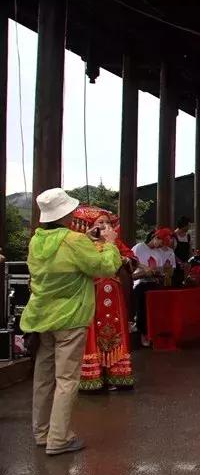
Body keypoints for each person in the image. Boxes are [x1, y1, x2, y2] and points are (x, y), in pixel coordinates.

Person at [21, 188, 123, 455]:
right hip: (70, 316)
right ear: (65, 213)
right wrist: (110, 243)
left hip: (41, 316)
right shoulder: (73, 241)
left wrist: (85, 239)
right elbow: (104, 267)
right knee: (66, 378)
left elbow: (59, 258)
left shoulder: (36, 241)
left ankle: (42, 433)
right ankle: (59, 439)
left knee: (43, 378)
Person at [69, 206, 138, 392]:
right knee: (94, 330)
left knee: (116, 328)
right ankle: (94, 375)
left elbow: (132, 258)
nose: (106, 226)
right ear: (91, 226)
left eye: (108, 222)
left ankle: (117, 374)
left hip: (114, 294)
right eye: (101, 223)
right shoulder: (84, 244)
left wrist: (125, 260)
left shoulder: (116, 243)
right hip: (93, 292)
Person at [131, 228, 176, 347]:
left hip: (152, 283)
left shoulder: (158, 253)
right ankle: (143, 332)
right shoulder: (139, 248)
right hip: (139, 282)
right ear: (156, 238)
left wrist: (160, 273)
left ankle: (155, 332)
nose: (161, 246)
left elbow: (160, 271)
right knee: (142, 305)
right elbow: (130, 266)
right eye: (161, 243)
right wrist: (145, 272)